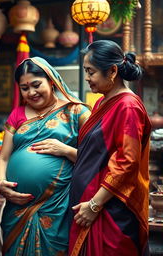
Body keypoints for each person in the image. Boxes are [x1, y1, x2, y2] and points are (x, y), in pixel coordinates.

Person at [0, 57, 91, 255]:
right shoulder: (17, 114)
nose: (31, 92)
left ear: (51, 80)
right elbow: (3, 158)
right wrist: (3, 184)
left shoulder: (77, 111)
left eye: (36, 85)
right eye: (24, 88)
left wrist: (65, 150)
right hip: (16, 207)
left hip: (57, 205)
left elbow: (95, 159)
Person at [69, 40, 151, 256]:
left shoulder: (128, 106)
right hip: (89, 205)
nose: (87, 78)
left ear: (113, 71)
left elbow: (127, 162)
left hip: (110, 210)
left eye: (91, 72)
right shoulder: (101, 103)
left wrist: (95, 205)